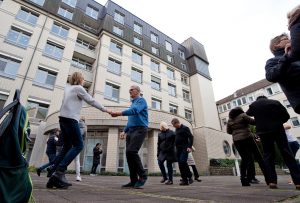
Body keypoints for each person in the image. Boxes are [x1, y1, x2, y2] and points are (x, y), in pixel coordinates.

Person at [46, 72, 109, 189]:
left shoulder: (68, 88)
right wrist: (105, 110)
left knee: (67, 146)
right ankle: (60, 172)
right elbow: (91, 101)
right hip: (71, 119)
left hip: (62, 119)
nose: (84, 81)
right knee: (79, 145)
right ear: (80, 79)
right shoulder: (79, 88)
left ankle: (53, 174)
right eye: (83, 79)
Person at [246, 95, 300, 189]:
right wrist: (278, 122)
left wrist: (259, 120)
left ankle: (272, 182)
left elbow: (248, 113)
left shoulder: (253, 105)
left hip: (263, 132)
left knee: (268, 155)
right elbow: (286, 116)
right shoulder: (275, 102)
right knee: (287, 153)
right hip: (278, 129)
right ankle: (298, 182)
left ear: (257, 98)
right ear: (265, 97)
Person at [109, 85, 148, 189]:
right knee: (128, 155)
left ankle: (143, 176)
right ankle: (133, 180)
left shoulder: (141, 100)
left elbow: (134, 111)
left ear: (138, 91)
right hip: (131, 130)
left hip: (140, 129)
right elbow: (131, 119)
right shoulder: (132, 103)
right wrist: (124, 131)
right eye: (129, 89)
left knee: (132, 151)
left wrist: (118, 113)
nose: (129, 91)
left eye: (132, 89)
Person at [227, 107, 269, 186]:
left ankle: (243, 180)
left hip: (237, 141)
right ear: (240, 111)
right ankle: (268, 178)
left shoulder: (230, 120)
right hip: (247, 138)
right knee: (259, 157)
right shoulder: (243, 115)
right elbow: (253, 122)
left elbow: (229, 131)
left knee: (245, 159)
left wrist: (236, 131)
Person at [264, 32, 300, 114]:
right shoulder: (272, 61)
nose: (290, 40)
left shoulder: (297, 55)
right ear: (276, 46)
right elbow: (270, 76)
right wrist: (286, 56)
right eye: (286, 39)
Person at [171, 118, 193, 186]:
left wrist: (189, 146)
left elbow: (191, 137)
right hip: (178, 149)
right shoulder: (176, 129)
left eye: (174, 125)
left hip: (185, 148)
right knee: (180, 164)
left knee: (183, 161)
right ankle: (184, 180)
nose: (174, 127)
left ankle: (189, 176)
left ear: (177, 123)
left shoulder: (185, 128)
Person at [74, 117, 87, 181]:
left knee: (63, 158)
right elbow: (84, 137)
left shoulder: (74, 124)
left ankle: (57, 173)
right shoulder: (84, 126)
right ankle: (78, 176)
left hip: (70, 143)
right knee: (77, 160)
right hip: (77, 144)